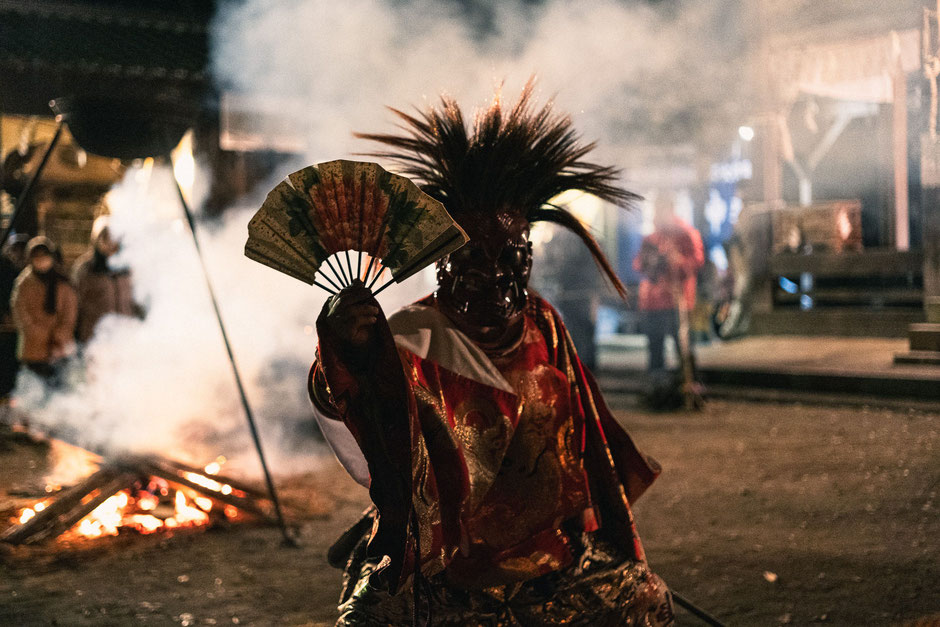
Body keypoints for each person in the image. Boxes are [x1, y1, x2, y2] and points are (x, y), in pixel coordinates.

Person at [308, 85, 674, 626]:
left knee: (644, 599)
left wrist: (587, 524)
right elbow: (359, 429)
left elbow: (585, 443)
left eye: (515, 256)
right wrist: (348, 352)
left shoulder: (542, 322)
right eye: (476, 259)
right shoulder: (409, 337)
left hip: (546, 551)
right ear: (441, 262)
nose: (500, 277)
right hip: (441, 560)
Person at [634, 195, 704, 372]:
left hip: (676, 299)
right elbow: (639, 263)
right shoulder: (651, 237)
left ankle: (687, 380)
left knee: (683, 345)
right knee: (655, 346)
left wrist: (678, 261)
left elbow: (696, 262)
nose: (656, 214)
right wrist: (650, 262)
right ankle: (658, 382)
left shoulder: (685, 234)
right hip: (652, 300)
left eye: (660, 210)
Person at [10, 236, 77, 383]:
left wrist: (59, 335)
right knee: (34, 387)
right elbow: (20, 312)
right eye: (36, 257)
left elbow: (69, 314)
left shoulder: (63, 283)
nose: (41, 261)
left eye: (44, 256)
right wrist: (39, 333)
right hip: (32, 348)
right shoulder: (23, 283)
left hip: (59, 347)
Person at [71, 215, 140, 343]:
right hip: (95, 337)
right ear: (96, 240)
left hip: (125, 336)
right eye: (105, 238)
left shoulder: (127, 268)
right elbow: (75, 303)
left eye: (113, 238)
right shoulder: (86, 269)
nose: (110, 243)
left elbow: (136, 302)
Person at [0, 235, 29, 402]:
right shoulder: (5, 269)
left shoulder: (27, 275)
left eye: (20, 251)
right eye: (13, 250)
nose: (16, 255)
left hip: (21, 325)